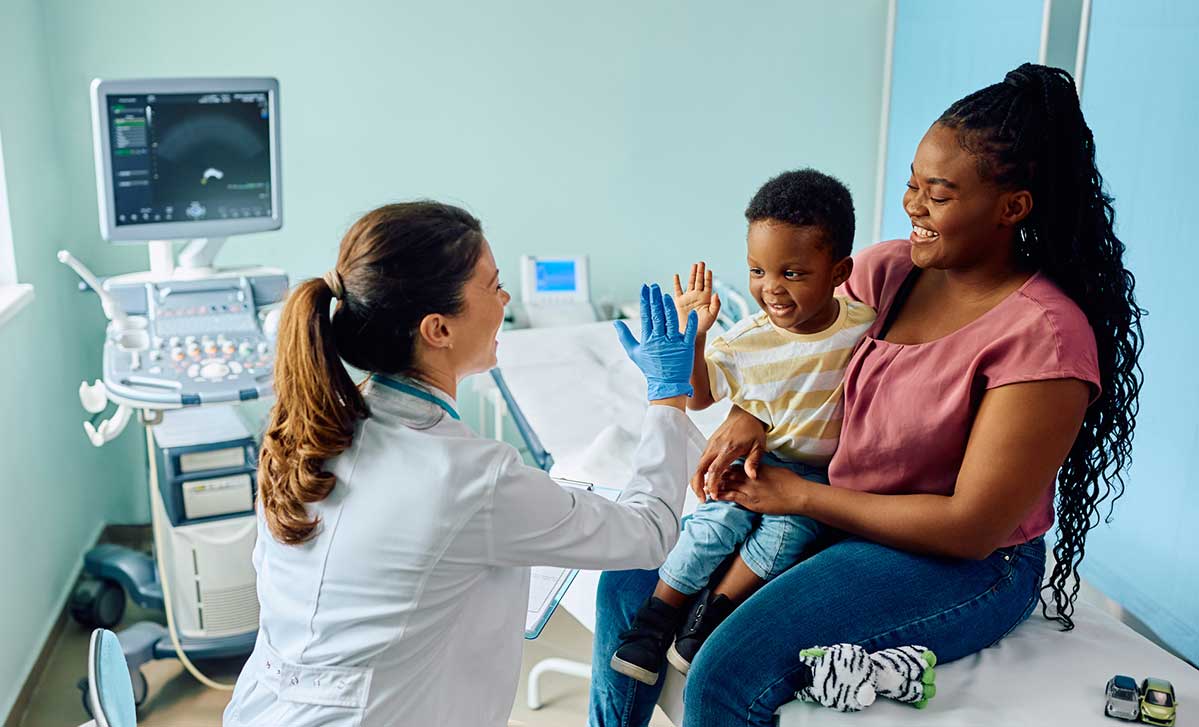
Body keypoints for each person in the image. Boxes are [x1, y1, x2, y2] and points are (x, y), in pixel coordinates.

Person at [589, 63, 1143, 726]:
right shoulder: (889, 270)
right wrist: (746, 415)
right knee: (627, 578)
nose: (911, 205)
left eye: (935, 194)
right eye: (911, 183)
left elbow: (970, 528)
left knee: (725, 674)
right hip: (833, 508)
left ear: (1011, 207)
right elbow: (800, 354)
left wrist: (798, 496)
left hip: (958, 559)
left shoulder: (1044, 337)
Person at [222, 201, 705, 727]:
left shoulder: (310, 431)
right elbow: (650, 533)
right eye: (494, 286)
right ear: (438, 330)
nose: (506, 299)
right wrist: (666, 396)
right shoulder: (468, 475)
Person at [609, 170, 878, 685]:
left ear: (839, 270)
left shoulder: (863, 326)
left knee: (784, 538)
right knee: (715, 525)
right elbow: (702, 394)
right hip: (761, 460)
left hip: (817, 478)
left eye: (793, 273)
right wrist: (694, 342)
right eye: (757, 270)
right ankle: (655, 620)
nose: (770, 289)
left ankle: (707, 619)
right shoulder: (749, 339)